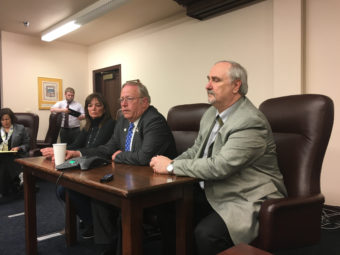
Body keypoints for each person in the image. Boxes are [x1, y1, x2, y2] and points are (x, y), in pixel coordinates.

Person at [150, 60, 287, 255]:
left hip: (245, 196)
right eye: (208, 79)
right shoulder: (210, 114)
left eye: (215, 80)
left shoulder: (250, 120)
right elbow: (195, 150)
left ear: (236, 85)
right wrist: (168, 163)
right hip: (214, 189)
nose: (207, 85)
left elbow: (220, 166)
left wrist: (172, 167)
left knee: (207, 234)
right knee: (167, 208)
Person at [65, 80, 177, 255]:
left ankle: (120, 246)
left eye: (129, 99)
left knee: (109, 200)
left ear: (144, 102)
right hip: (129, 179)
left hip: (157, 186)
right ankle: (109, 247)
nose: (123, 104)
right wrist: (78, 154)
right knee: (98, 197)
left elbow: (145, 157)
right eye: (121, 99)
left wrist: (119, 156)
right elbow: (107, 149)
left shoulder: (154, 121)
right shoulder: (123, 122)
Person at [41, 92, 116, 239]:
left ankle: (94, 224)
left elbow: (96, 147)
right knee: (63, 189)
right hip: (86, 168)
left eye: (97, 105)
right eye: (90, 105)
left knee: (66, 189)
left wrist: (73, 152)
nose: (93, 108)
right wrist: (57, 149)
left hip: (101, 168)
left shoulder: (110, 124)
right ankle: (89, 220)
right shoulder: (88, 126)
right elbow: (75, 145)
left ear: (104, 108)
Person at [0, 108, 30, 197]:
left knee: (5, 160)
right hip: (2, 156)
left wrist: (19, 148)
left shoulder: (20, 128)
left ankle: (3, 191)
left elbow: (27, 144)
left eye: (7, 119)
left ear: (11, 119)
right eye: (2, 120)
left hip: (16, 155)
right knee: (4, 158)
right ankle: (20, 178)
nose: (5, 122)